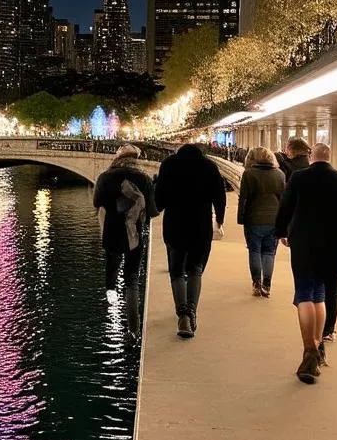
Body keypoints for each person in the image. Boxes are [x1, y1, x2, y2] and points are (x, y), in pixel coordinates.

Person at [275, 142, 337, 384]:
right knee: (320, 295)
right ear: (330, 158)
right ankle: (318, 346)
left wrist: (280, 232)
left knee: (304, 295)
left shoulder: (298, 178)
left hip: (304, 246)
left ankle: (309, 350)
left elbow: (285, 208)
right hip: (333, 246)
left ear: (312, 157)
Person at [154, 143, 227, 339]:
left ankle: (183, 315)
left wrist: (157, 207)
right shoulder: (209, 166)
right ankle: (192, 311)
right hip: (200, 225)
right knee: (195, 269)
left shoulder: (168, 165)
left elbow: (159, 197)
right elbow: (220, 197)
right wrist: (219, 219)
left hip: (174, 225)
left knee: (177, 271)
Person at [93, 144, 159, 339]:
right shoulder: (144, 178)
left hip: (112, 230)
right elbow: (154, 211)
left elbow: (97, 202)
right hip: (135, 235)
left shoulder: (105, 177)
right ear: (136, 159)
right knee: (131, 280)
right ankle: (134, 330)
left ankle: (110, 304)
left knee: (112, 270)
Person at [237, 146, 285, 297]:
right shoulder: (280, 174)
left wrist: (241, 218)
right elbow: (283, 200)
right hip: (274, 220)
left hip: (254, 219)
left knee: (255, 251)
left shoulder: (249, 174)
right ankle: (267, 284)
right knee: (269, 252)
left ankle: (256, 283)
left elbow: (243, 199)